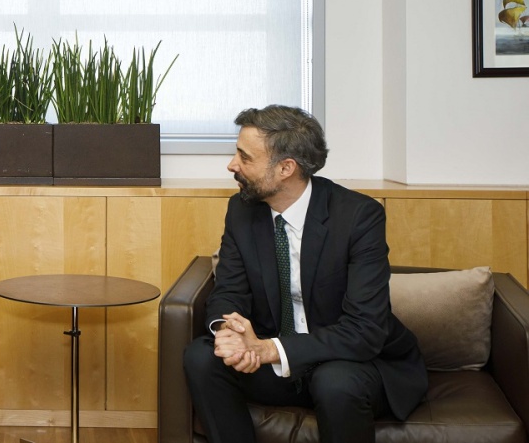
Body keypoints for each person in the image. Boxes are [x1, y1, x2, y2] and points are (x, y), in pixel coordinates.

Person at [183, 105, 427, 443]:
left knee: (334, 382)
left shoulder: (358, 216)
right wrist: (231, 332)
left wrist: (270, 349)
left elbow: (365, 330)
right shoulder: (242, 211)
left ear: (286, 168)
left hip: (348, 361)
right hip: (274, 363)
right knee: (201, 356)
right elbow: (228, 290)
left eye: (245, 157)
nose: (232, 165)